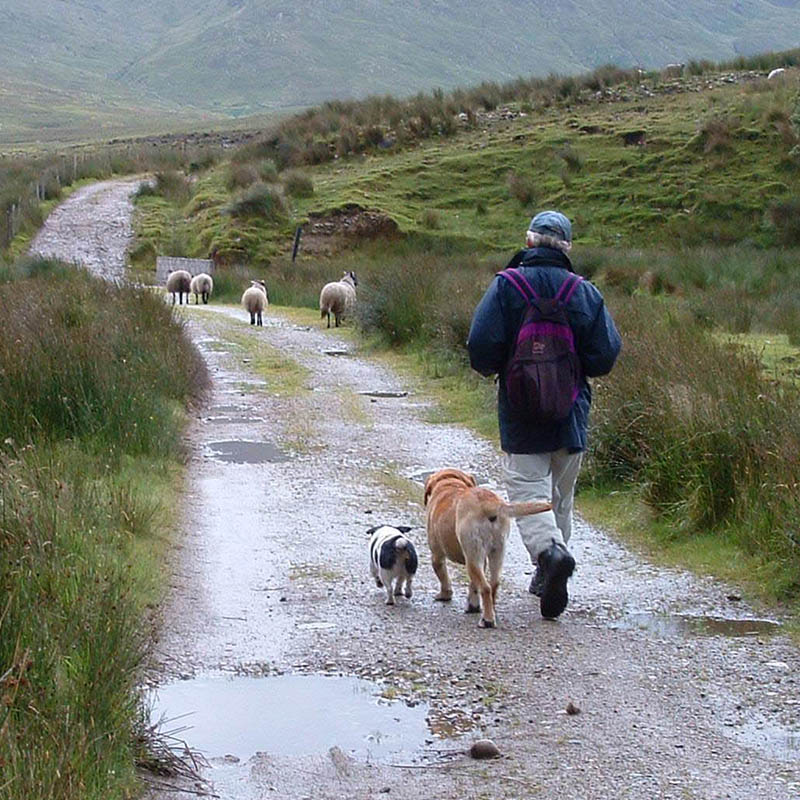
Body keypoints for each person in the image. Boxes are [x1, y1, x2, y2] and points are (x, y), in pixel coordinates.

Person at [466, 210, 621, 619]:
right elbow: (605, 355)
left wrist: (502, 367)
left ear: (529, 242)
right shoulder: (582, 292)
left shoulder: (507, 286)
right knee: (559, 499)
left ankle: (550, 557)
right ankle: (550, 568)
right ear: (567, 249)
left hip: (521, 414)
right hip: (570, 414)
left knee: (530, 494)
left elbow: (479, 346)